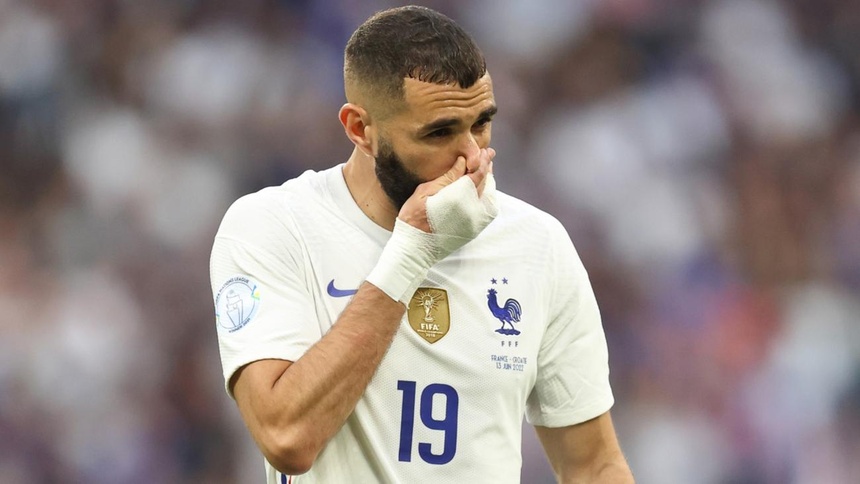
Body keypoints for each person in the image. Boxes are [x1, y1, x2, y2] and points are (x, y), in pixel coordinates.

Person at [210, 5, 634, 483]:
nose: (472, 155)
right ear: (360, 129)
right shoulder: (275, 226)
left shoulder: (537, 244)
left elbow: (594, 465)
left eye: (482, 123)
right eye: (439, 132)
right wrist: (413, 252)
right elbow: (286, 437)